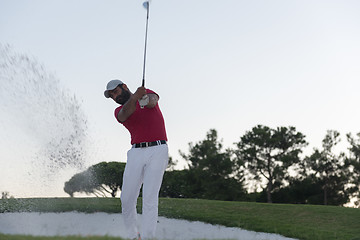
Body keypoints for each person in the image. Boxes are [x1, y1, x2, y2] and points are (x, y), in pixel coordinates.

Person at [104, 79, 169, 240]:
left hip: (158, 149)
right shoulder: (119, 110)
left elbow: (152, 102)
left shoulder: (146, 93)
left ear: (124, 87)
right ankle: (133, 236)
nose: (114, 97)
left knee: (149, 198)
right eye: (112, 96)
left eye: (116, 92)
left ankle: (148, 237)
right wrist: (136, 98)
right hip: (136, 153)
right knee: (126, 198)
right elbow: (125, 114)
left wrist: (143, 97)